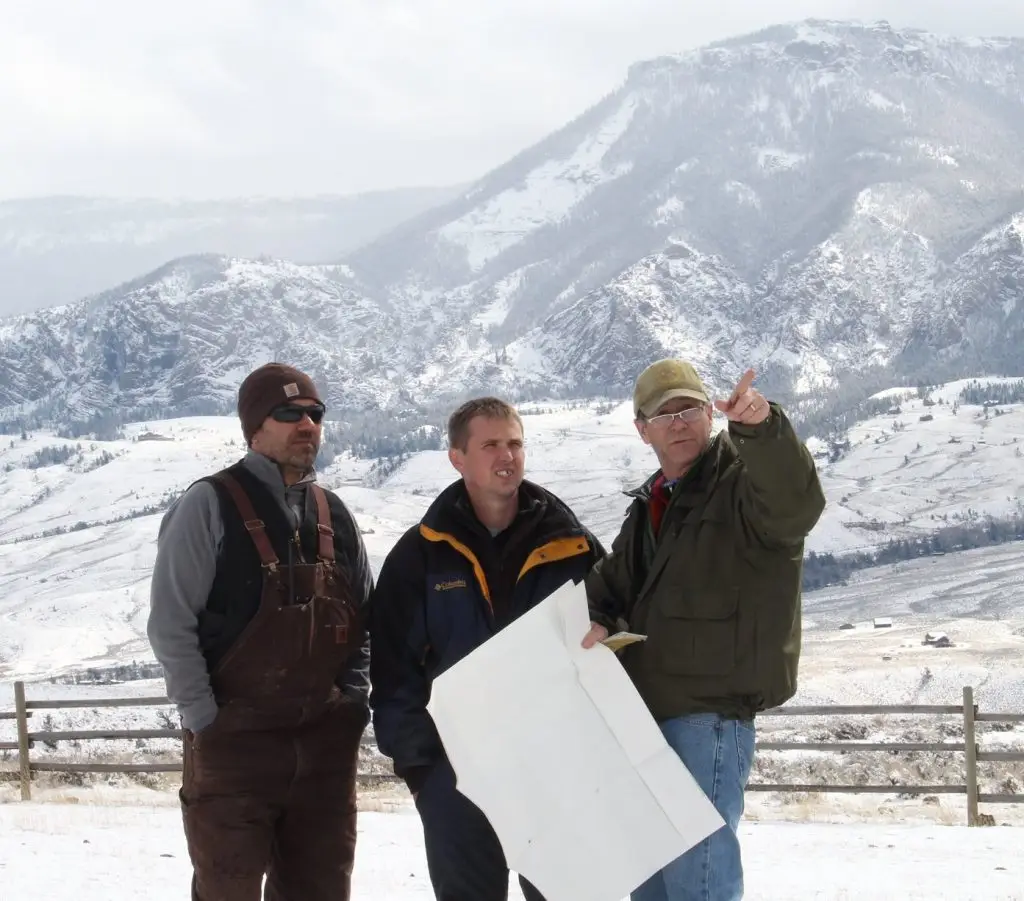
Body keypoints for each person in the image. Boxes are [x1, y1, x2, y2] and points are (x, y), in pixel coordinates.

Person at [581, 359, 826, 901]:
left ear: (709, 416)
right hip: (644, 718)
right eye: (663, 413)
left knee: (699, 881)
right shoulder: (653, 504)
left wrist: (762, 428)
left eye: (689, 407)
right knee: (650, 884)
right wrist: (593, 618)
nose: (679, 422)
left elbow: (796, 504)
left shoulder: (742, 484)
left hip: (708, 715)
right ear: (642, 429)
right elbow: (613, 580)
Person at [147, 362, 373, 901]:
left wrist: (354, 701)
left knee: (320, 891)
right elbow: (170, 624)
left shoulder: (333, 513)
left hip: (323, 748)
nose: (307, 425)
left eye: (315, 414)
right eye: (288, 413)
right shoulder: (209, 505)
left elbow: (364, 619)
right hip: (235, 750)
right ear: (254, 427)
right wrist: (207, 721)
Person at [369, 396, 605, 901]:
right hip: (458, 776)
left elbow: (612, 631)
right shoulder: (419, 556)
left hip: (556, 769)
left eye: (516, 443)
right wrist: (424, 772)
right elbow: (393, 671)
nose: (507, 456)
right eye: (491, 444)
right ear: (458, 458)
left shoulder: (573, 545)